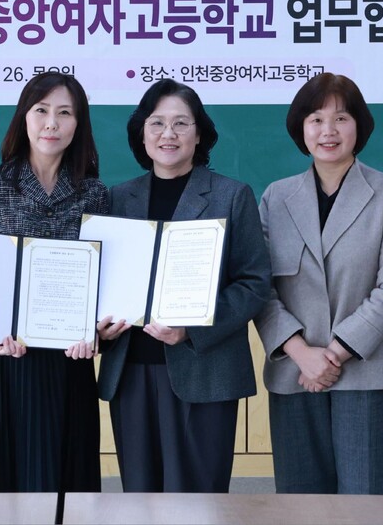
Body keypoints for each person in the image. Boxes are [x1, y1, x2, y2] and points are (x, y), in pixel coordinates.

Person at [96, 78, 271, 493]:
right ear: (142, 133)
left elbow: (254, 283)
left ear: (199, 134)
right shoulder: (117, 199)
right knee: (140, 499)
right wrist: (97, 328)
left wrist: (191, 328)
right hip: (131, 371)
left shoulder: (231, 195)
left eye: (181, 123)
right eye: (157, 123)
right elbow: (99, 282)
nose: (168, 134)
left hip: (204, 369)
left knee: (198, 501)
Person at [0, 72, 107, 493]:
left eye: (65, 113)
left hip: (65, 362)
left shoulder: (95, 194)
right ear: (24, 118)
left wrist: (94, 328)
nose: (52, 123)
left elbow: (106, 282)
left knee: (58, 487)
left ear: (79, 124)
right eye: (41, 110)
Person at [255, 73, 383, 496]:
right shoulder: (275, 198)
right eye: (316, 119)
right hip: (295, 373)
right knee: (301, 507)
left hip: (370, 374)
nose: (328, 131)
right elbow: (259, 287)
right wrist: (301, 354)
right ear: (301, 129)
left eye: (341, 118)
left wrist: (331, 355)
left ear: (359, 127)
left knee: (370, 507)